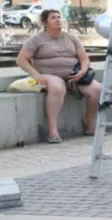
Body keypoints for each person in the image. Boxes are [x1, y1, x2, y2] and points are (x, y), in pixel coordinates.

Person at [15, 9, 102, 143]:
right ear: (45, 22)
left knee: (96, 89)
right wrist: (36, 75)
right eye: (53, 18)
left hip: (73, 75)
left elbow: (84, 59)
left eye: (59, 17)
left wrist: (82, 72)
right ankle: (53, 131)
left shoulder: (71, 37)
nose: (58, 20)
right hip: (49, 75)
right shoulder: (36, 39)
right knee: (57, 87)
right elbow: (21, 60)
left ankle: (89, 122)